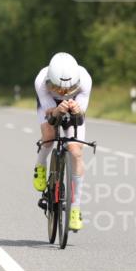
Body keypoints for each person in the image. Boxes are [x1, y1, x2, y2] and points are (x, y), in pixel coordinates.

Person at [32, 52, 92, 232]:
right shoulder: (41, 81)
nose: (64, 93)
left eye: (68, 88)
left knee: (75, 151)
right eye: (58, 88)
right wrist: (57, 110)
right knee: (49, 138)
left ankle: (75, 209)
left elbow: (80, 117)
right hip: (51, 107)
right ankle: (40, 164)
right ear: (50, 81)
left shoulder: (85, 80)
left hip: (74, 108)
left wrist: (76, 109)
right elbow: (50, 115)